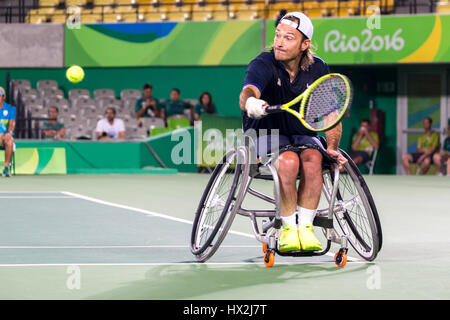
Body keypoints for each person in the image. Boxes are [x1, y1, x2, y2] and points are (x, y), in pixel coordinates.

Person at [239, 12, 347, 252]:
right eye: (278, 35)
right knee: (288, 162)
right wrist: (252, 104)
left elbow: (330, 114)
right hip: (267, 131)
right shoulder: (263, 63)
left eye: (288, 38)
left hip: (302, 132)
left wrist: (331, 147)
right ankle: (288, 228)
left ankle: (305, 228)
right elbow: (247, 91)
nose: (279, 42)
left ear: (304, 44)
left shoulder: (318, 68)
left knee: (314, 159)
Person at [0, 86, 15, 177]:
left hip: (2, 136)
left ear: (4, 97)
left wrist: (9, 133)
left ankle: (6, 168)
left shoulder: (10, 109)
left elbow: (12, 125)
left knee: (10, 140)